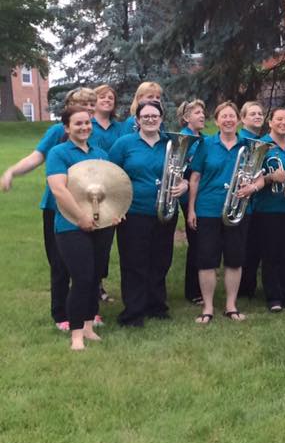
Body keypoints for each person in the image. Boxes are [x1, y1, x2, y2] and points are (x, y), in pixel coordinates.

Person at [1, 88, 97, 330]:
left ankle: (87, 311)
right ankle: (61, 313)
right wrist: (12, 171)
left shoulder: (95, 131)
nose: (88, 108)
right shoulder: (58, 131)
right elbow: (36, 157)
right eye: (82, 103)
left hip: (91, 207)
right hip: (57, 208)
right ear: (70, 107)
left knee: (90, 262)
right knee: (61, 262)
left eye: (91, 104)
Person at [46, 105, 122, 350]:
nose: (84, 127)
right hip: (70, 226)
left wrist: (115, 214)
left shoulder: (101, 154)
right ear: (67, 127)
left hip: (101, 225)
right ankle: (76, 335)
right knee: (81, 278)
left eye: (87, 123)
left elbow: (110, 189)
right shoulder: (59, 153)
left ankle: (89, 327)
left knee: (94, 277)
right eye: (78, 123)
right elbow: (59, 189)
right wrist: (80, 218)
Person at [108, 100, 187, 326]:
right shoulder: (125, 144)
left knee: (161, 260)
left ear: (161, 119)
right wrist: (116, 206)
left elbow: (183, 173)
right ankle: (133, 311)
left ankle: (156, 306)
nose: (150, 119)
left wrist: (184, 186)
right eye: (146, 116)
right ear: (138, 119)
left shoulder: (172, 144)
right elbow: (111, 176)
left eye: (155, 116)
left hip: (165, 211)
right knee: (134, 262)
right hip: (133, 213)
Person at [187, 101, 265, 323]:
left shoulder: (249, 146)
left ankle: (231, 305)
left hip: (238, 209)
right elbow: (194, 178)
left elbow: (260, 177)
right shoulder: (206, 145)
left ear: (238, 120)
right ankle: (208, 307)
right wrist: (191, 209)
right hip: (208, 209)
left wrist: (253, 187)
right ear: (217, 120)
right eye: (224, 117)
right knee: (207, 259)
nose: (229, 120)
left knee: (235, 259)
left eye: (232, 116)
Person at [253, 107, 285, 312]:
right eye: (279, 119)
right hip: (269, 207)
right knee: (271, 253)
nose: (284, 123)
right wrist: (270, 178)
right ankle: (273, 297)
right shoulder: (262, 145)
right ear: (271, 122)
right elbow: (251, 177)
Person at [237, 100, 268, 299]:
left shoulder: (262, 140)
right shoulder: (241, 140)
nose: (257, 116)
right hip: (243, 199)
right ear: (243, 118)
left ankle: (248, 286)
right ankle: (243, 288)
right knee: (244, 246)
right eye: (253, 114)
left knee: (254, 246)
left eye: (260, 114)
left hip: (258, 200)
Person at [177, 98, 206, 304]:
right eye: (197, 113)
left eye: (203, 112)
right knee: (196, 242)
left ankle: (202, 285)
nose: (202, 116)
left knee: (203, 242)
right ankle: (193, 290)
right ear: (186, 118)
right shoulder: (183, 139)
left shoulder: (205, 139)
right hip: (188, 197)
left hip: (204, 196)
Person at [90, 84, 124, 152]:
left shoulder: (120, 127)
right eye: (102, 97)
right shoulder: (86, 125)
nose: (107, 100)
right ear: (93, 102)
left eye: (110, 98)